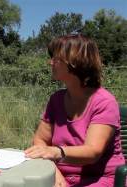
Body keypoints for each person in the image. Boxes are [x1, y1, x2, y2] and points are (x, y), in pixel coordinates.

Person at [24, 34, 125, 187]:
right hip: (61, 176)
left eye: (56, 58)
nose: (50, 62)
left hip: (100, 178)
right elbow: (40, 141)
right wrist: (54, 170)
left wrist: (56, 153)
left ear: (76, 61)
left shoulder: (104, 102)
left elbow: (92, 152)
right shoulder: (56, 99)